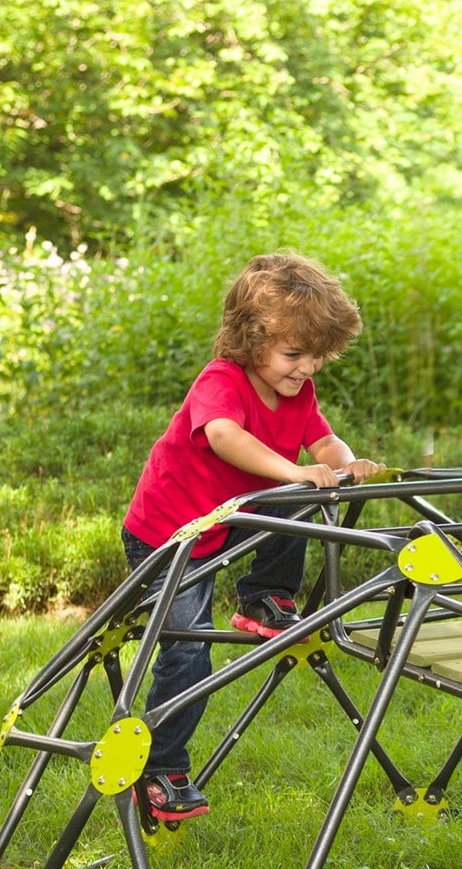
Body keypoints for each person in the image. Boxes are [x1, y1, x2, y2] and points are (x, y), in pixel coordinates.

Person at [121, 252, 379, 823]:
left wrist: (344, 461)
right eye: (294, 354)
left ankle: (264, 594)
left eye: (318, 357)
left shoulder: (297, 394)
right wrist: (293, 471)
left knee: (302, 496)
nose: (307, 368)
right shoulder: (224, 380)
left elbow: (324, 443)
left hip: (233, 522)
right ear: (251, 338)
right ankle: (163, 770)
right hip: (170, 534)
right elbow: (221, 436)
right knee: (188, 649)